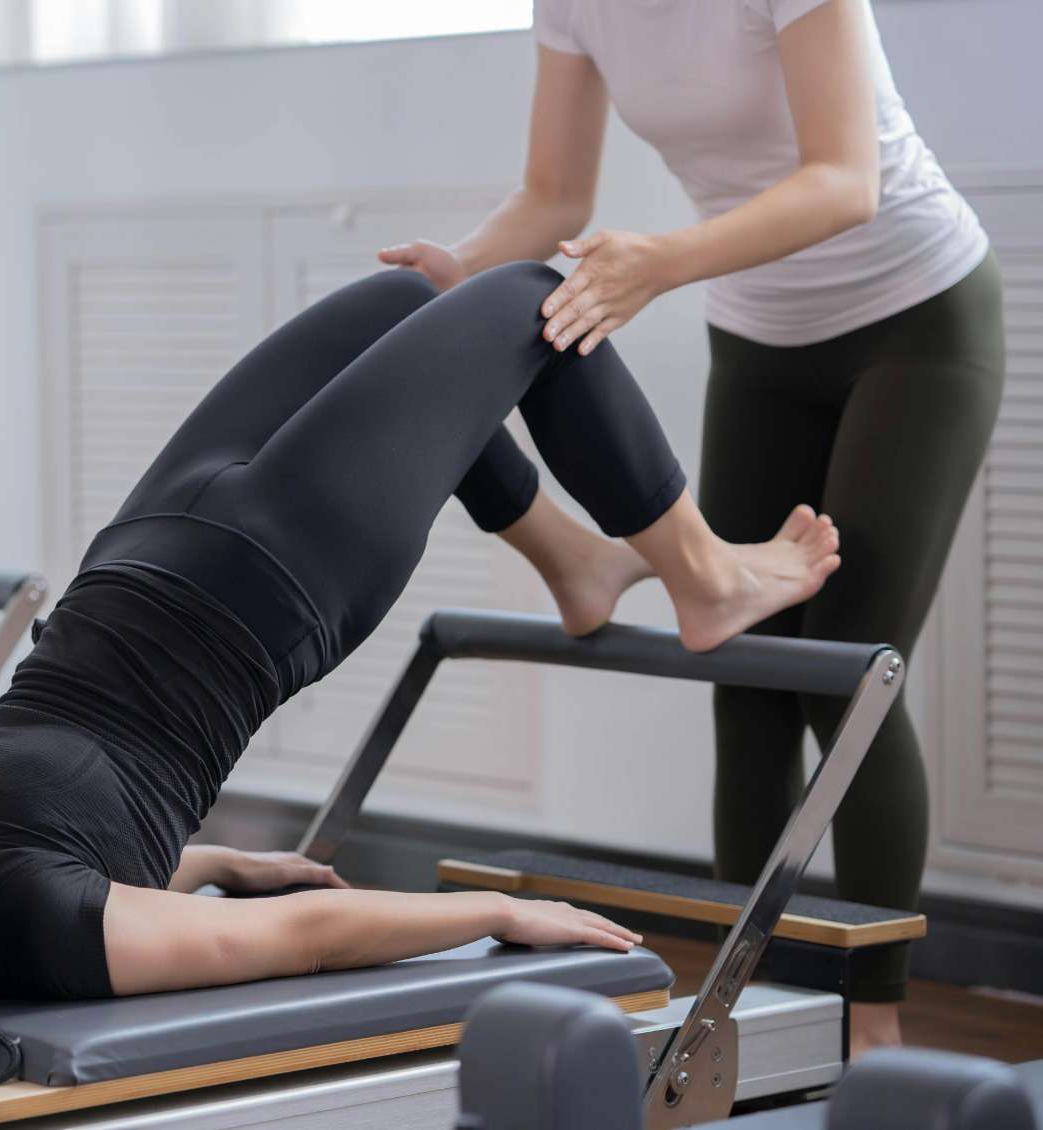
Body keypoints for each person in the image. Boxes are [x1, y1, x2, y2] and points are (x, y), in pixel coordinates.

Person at [0, 263, 842, 1005]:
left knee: (411, 296)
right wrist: (496, 915)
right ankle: (701, 579)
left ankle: (577, 563)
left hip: (157, 533)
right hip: (281, 578)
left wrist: (204, 863)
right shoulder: (18, 927)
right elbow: (289, 936)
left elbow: (109, 857)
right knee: (542, 301)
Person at [375, 0, 1001, 1051]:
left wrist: (661, 260)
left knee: (848, 673)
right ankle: (754, 1011)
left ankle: (873, 1024)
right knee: (743, 670)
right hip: (760, 341)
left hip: (917, 318)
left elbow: (846, 179)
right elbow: (553, 194)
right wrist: (461, 267)